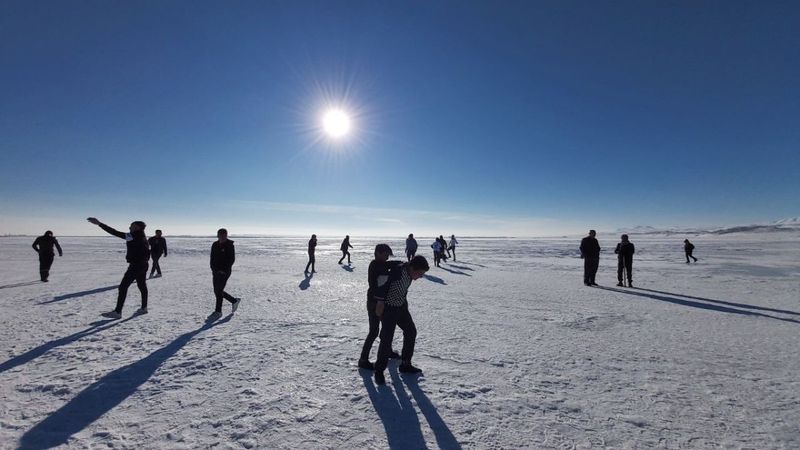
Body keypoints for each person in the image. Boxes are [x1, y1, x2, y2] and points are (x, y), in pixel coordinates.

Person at [373, 255, 430, 385]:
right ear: (413, 268)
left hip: (401, 307)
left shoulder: (409, 272)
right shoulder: (397, 271)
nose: (420, 277)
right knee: (387, 339)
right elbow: (381, 282)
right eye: (420, 273)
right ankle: (379, 371)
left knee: (411, 331)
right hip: (388, 309)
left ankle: (405, 364)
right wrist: (380, 302)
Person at [87, 217, 150, 318]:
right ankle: (144, 308)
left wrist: (99, 224)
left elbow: (115, 233)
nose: (129, 227)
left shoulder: (133, 236)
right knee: (142, 285)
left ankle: (118, 312)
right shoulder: (142, 236)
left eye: (132, 225)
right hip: (143, 264)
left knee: (123, 287)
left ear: (137, 227)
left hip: (136, 265)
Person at [358, 244, 402, 370]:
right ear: (378, 253)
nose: (387, 258)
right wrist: (396, 266)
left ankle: (387, 350)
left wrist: (400, 263)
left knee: (386, 329)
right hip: (373, 302)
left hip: (382, 301)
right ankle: (363, 359)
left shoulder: (382, 264)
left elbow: (388, 265)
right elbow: (385, 268)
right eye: (386, 255)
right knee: (373, 331)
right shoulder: (374, 265)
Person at [208, 228, 241, 320]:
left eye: (224, 235)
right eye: (221, 235)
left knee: (219, 290)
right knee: (216, 290)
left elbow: (231, 259)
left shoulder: (229, 245)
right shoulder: (215, 245)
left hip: (225, 272)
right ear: (218, 236)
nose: (222, 237)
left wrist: (224, 270)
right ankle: (234, 301)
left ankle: (218, 311)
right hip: (215, 271)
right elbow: (212, 258)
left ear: (226, 236)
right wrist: (214, 269)